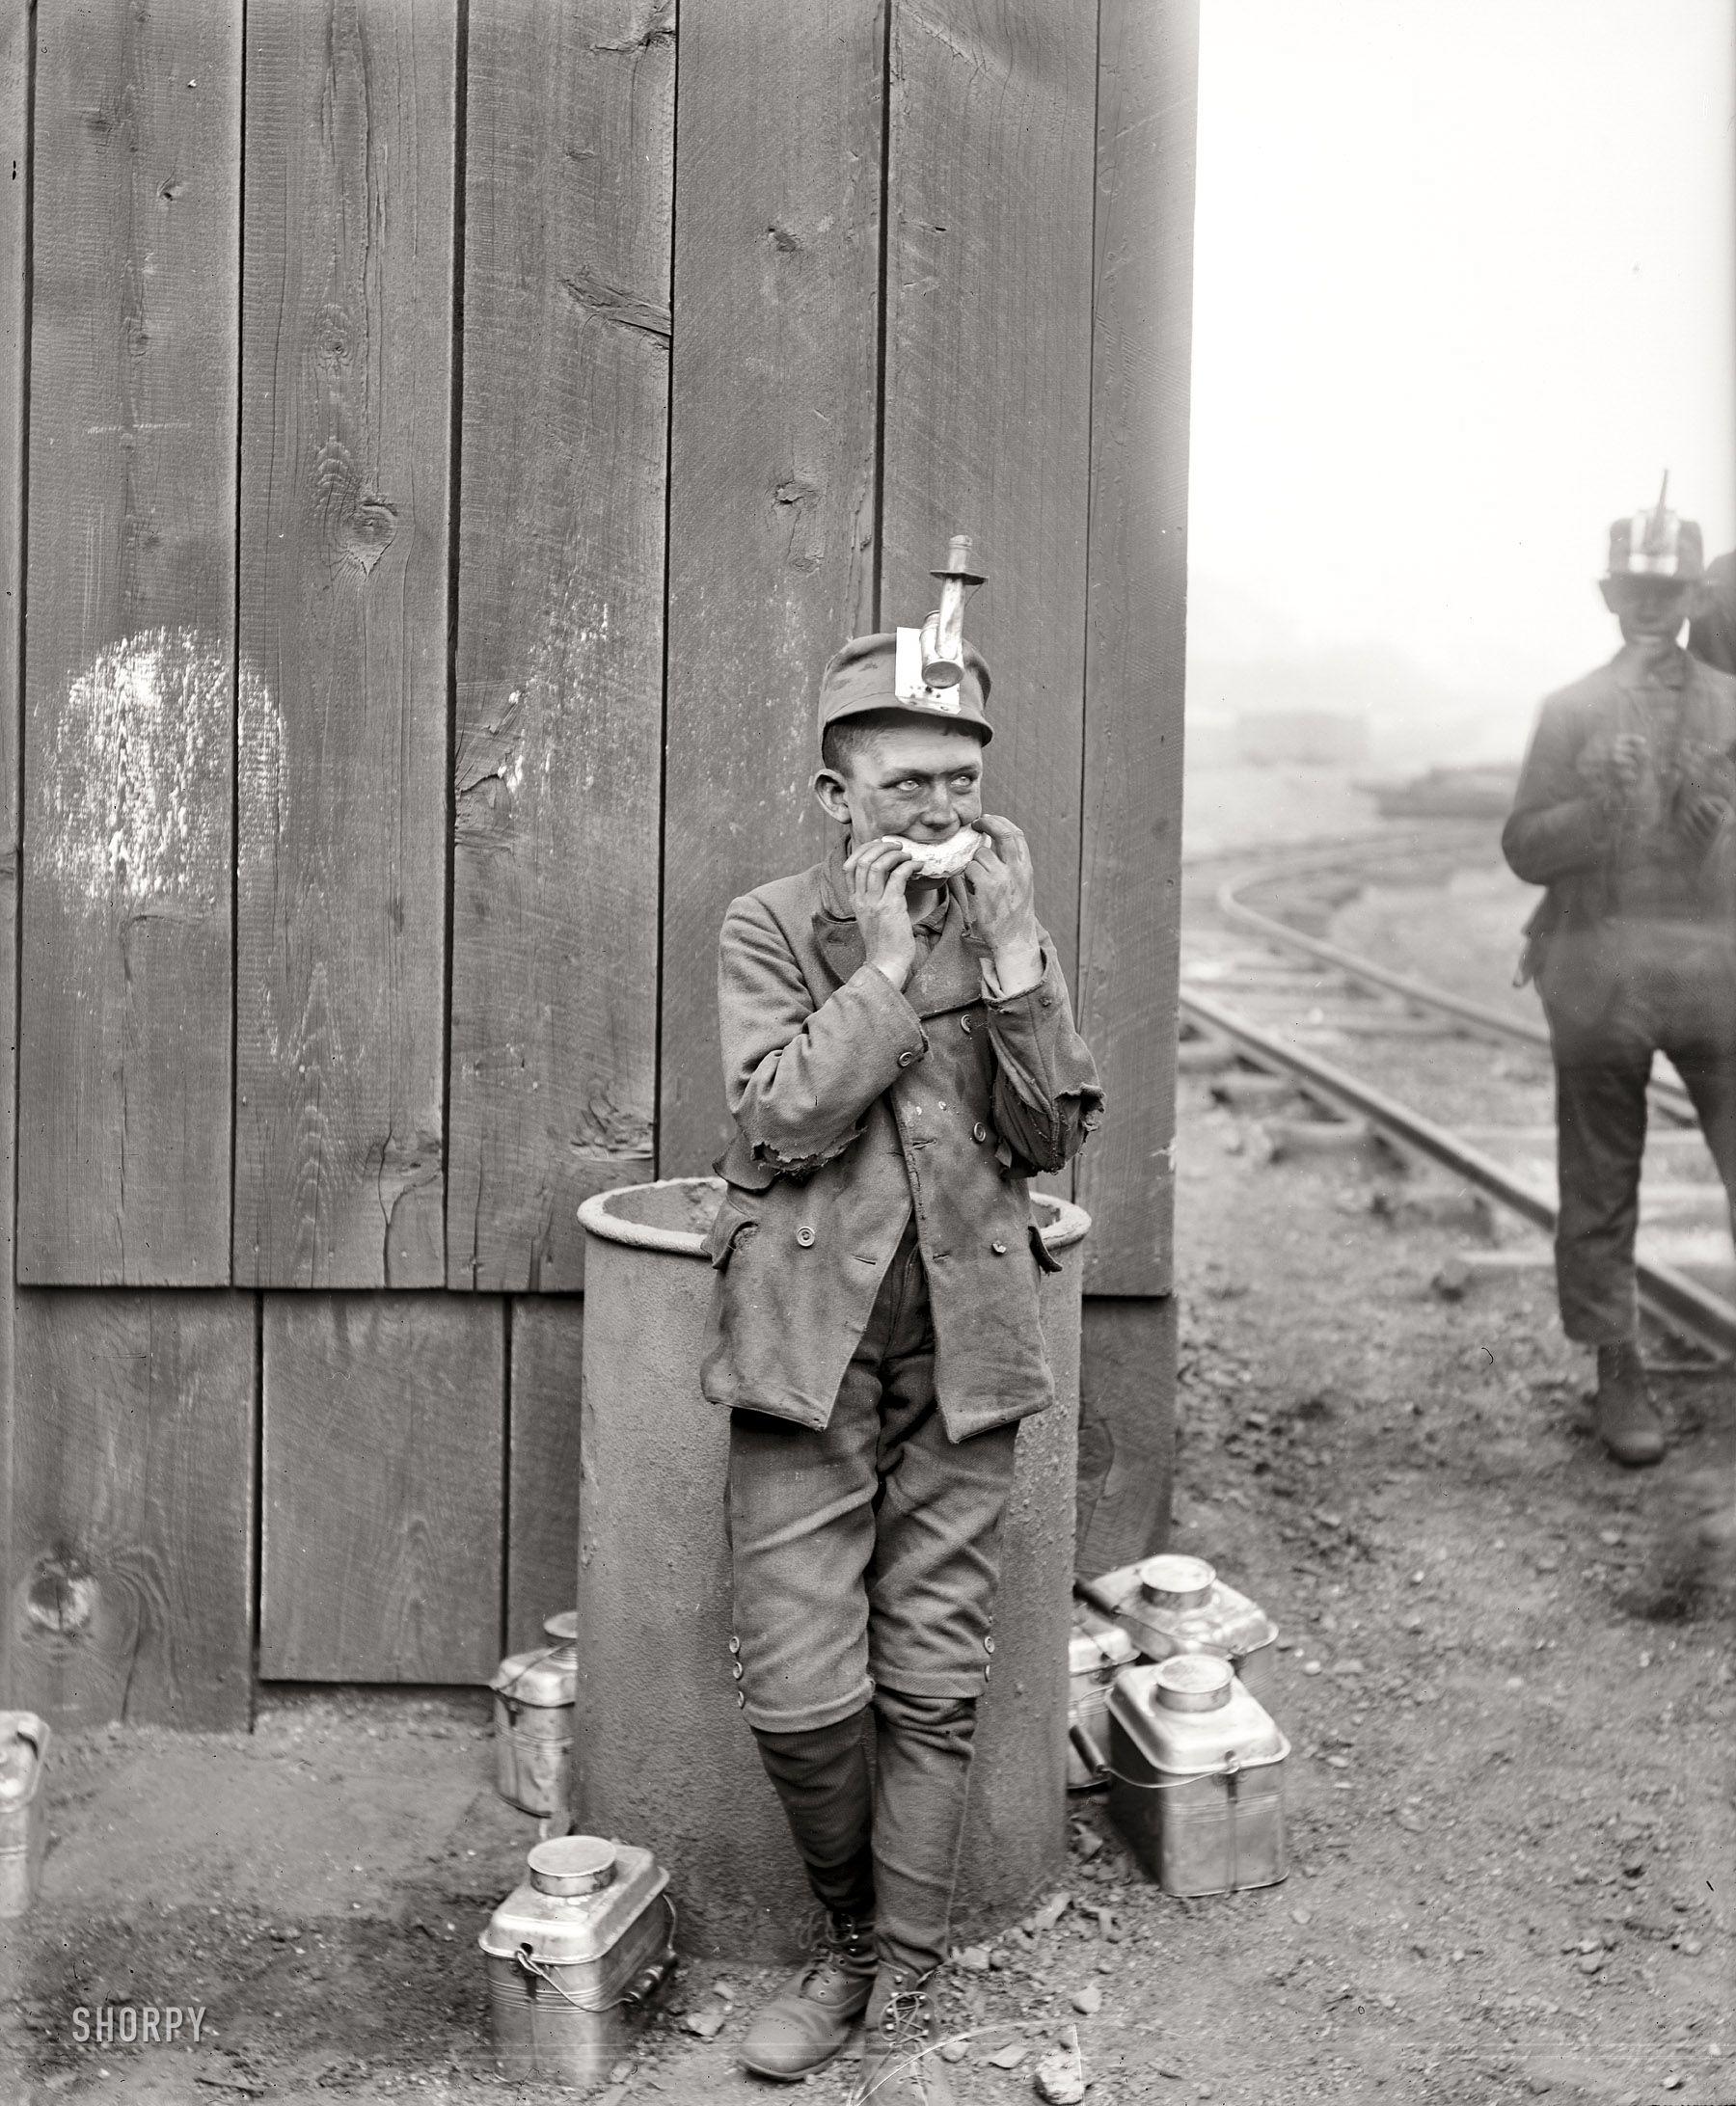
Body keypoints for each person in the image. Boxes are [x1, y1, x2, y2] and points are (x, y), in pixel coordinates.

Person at [700, 620, 1101, 2104]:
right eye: (907, 788)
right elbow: (776, 1123)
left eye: (962, 784)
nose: (941, 818)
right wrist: (880, 972)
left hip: (970, 1340)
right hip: (809, 1347)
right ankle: (854, 1934)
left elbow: (1051, 1133)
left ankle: (894, 1966)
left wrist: (1007, 966)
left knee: (933, 1674)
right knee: (802, 1685)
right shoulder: (764, 923)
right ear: (834, 795)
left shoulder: (1009, 919)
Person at [1504, 487, 1736, 1465]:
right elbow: (1523, 846)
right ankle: (1617, 1371)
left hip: (1716, 983)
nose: (1651, 603)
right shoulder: (1571, 711)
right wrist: (1598, 804)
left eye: (1667, 587)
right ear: (1610, 594)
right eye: (1634, 587)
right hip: (1601, 982)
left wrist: (1719, 818)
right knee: (1599, 1187)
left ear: (1690, 594)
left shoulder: (1734, 707)